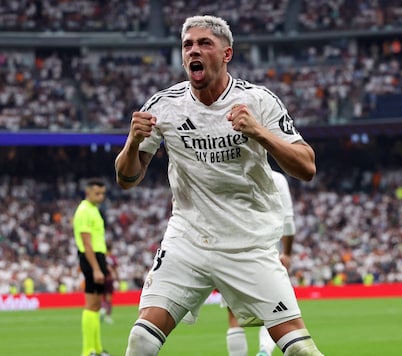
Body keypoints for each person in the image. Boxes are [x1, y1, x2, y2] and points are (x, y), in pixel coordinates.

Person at [114, 15, 323, 356]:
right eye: (187, 45)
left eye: (204, 43)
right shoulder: (164, 106)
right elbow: (127, 179)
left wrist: (259, 132)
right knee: (141, 340)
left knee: (301, 350)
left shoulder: (259, 101)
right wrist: (133, 142)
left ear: (226, 54)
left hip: (248, 241)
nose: (193, 51)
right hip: (188, 239)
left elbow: (307, 167)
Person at [225, 170, 296, 356]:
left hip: (229, 251)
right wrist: (287, 253)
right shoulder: (277, 179)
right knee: (273, 309)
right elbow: (287, 221)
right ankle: (264, 350)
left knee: (234, 314)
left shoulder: (227, 173)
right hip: (265, 252)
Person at [73, 178, 111, 356]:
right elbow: (86, 242)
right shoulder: (84, 211)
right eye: (97, 193)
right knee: (91, 305)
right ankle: (87, 350)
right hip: (91, 258)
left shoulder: (94, 210)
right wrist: (96, 268)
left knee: (96, 305)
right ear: (87, 192)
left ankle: (96, 348)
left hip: (98, 257)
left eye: (103, 193)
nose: (101, 196)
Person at [100, 243, 119, 324]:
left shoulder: (102, 256)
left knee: (102, 297)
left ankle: (102, 309)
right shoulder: (112, 258)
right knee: (109, 298)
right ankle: (107, 316)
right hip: (109, 279)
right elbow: (115, 268)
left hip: (101, 280)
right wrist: (117, 278)